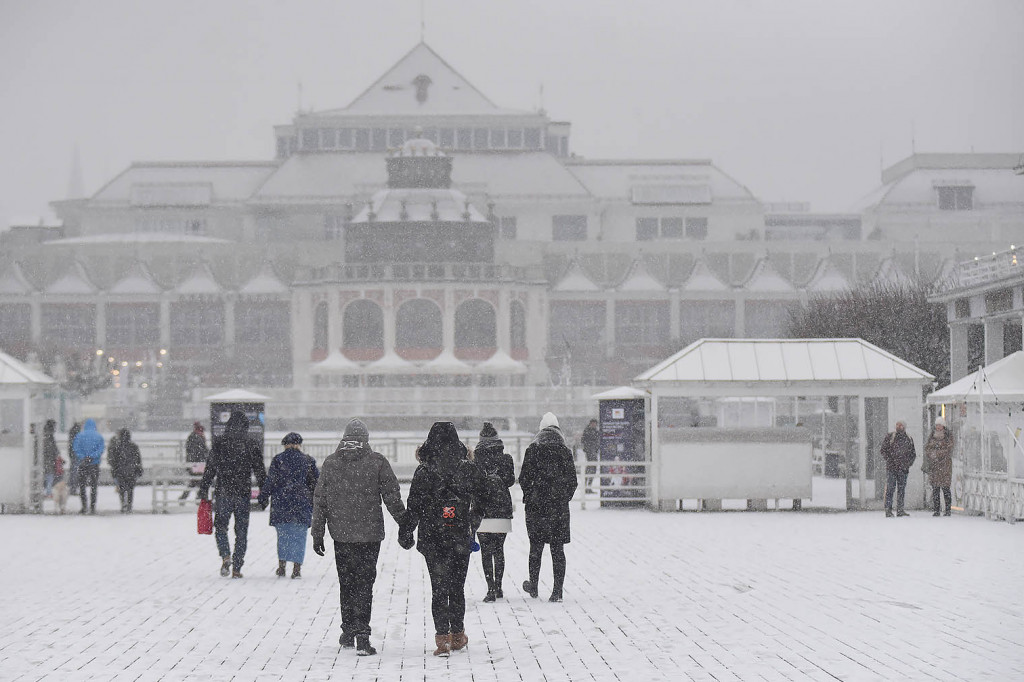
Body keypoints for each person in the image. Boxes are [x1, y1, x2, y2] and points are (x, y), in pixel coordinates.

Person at [311, 419, 405, 657]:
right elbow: (392, 496)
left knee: (347, 583)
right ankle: (362, 634)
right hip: (369, 535)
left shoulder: (331, 464)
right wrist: (405, 522)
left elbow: (320, 501)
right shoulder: (377, 462)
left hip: (341, 535)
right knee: (365, 584)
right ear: (366, 439)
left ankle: (348, 630)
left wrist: (318, 533)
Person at [400, 422, 486, 657]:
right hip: (459, 535)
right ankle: (458, 635)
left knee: (439, 588)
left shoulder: (424, 471)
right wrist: (473, 520)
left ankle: (442, 640)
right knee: (457, 587)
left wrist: (406, 531)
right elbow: (483, 496)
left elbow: (414, 506)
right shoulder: (467, 468)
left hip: (432, 537)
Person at [198, 410, 266, 579]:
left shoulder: (220, 443)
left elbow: (210, 468)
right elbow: (259, 471)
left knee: (221, 527)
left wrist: (204, 488)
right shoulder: (251, 444)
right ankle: (237, 567)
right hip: (243, 492)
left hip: (223, 492)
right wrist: (265, 493)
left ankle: (225, 555)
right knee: (241, 531)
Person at [519, 412, 577, 602]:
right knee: (557, 549)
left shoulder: (532, 450)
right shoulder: (565, 451)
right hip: (558, 509)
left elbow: (523, 479)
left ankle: (534, 586)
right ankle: (557, 591)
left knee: (535, 548)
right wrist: (562, 498)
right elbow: (573, 481)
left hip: (536, 507)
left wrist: (531, 495)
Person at [259, 432, 319, 579]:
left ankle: (282, 566)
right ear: (299, 444)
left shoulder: (278, 460)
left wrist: (263, 497)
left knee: (283, 535)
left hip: (281, 502)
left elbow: (270, 481)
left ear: (285, 444)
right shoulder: (308, 460)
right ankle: (297, 568)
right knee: (299, 536)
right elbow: (316, 483)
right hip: (301, 503)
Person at [472, 422, 515, 603]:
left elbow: (472, 484)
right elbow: (511, 481)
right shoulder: (506, 459)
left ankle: (490, 588)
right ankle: (499, 586)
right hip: (502, 508)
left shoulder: (476, 461)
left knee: (486, 551)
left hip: (482, 509)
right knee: (499, 550)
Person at [881, 420, 917, 518]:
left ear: (904, 427)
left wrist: (907, 464)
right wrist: (890, 460)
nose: (899, 426)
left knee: (901, 490)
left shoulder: (908, 438)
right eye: (897, 425)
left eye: (901, 425)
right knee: (890, 489)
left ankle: (900, 509)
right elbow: (883, 450)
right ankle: (888, 509)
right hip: (892, 468)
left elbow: (913, 454)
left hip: (903, 469)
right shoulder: (890, 437)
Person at [73, 419, 105, 515]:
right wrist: (92, 456)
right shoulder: (99, 436)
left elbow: (76, 448)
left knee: (82, 486)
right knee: (93, 486)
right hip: (94, 464)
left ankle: (84, 506)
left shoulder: (79, 436)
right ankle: (92, 507)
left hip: (83, 464)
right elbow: (101, 449)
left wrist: (83, 457)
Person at [925, 417, 954, 517]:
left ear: (943, 426)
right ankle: (936, 509)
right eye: (937, 425)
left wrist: (937, 454)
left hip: (945, 466)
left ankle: (948, 509)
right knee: (935, 488)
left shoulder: (948, 436)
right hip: (934, 467)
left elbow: (949, 449)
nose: (938, 427)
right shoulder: (931, 436)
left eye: (939, 425)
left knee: (946, 488)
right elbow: (927, 448)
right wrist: (932, 454)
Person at [110, 428, 143, 513]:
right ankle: (129, 505)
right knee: (130, 489)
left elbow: (113, 460)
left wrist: (114, 471)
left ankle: (123, 504)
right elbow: (138, 459)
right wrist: (138, 469)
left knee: (122, 489)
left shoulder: (117, 446)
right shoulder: (134, 446)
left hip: (120, 471)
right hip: (131, 471)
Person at [180, 422, 210, 501]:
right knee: (198, 481)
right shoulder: (197, 438)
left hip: (195, 464)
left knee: (195, 482)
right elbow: (202, 451)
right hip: (197, 464)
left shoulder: (192, 437)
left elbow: (191, 451)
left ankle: (186, 498)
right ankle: (198, 498)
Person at [580, 418, 600, 493]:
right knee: (589, 469)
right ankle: (586, 486)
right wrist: (588, 449)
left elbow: (597, 442)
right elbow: (583, 441)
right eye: (593, 423)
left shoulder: (596, 431)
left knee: (593, 469)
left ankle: (588, 486)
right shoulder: (587, 431)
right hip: (590, 453)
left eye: (595, 423)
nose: (594, 425)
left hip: (594, 452)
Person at [42, 419, 59, 498]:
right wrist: (56, 453)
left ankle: (46, 491)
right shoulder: (49, 435)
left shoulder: (44, 433)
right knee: (49, 475)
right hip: (49, 458)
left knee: (46, 475)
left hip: (44, 458)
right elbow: (51, 447)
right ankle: (48, 492)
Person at [67, 421, 82, 492]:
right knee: (75, 471)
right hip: (76, 455)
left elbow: (70, 445)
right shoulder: (77, 434)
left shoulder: (71, 433)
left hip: (73, 454)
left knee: (73, 471)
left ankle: (72, 487)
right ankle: (74, 488)